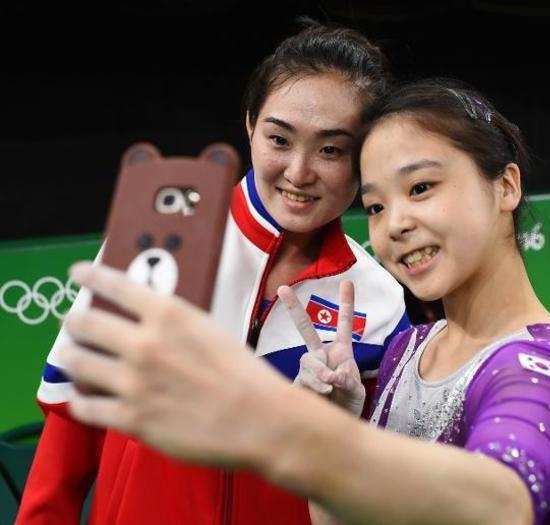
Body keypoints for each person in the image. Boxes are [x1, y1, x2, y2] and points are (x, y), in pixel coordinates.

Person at [59, 78, 550, 525]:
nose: (397, 224)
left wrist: (297, 435)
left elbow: (504, 502)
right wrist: (332, 424)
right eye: (374, 206)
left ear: (505, 186)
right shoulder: (411, 349)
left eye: (420, 189)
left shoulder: (538, 370)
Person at [17, 21, 407, 525]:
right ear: (249, 125)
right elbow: (73, 418)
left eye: (331, 149)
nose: (298, 171)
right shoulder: (160, 233)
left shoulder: (378, 301)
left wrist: (337, 430)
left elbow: (376, 494)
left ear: (365, 156)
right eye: (279, 139)